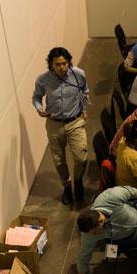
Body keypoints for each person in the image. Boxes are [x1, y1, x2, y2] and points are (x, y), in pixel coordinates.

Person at [32, 47, 89, 205]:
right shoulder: (43, 79)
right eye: (57, 64)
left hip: (75, 121)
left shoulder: (78, 74)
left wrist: (83, 109)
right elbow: (36, 97)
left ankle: (77, 181)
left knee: (80, 157)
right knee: (58, 160)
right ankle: (67, 186)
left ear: (69, 62)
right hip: (54, 124)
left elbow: (84, 91)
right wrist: (39, 108)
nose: (61, 67)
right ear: (51, 64)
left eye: (64, 63)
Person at [76, 185, 137, 274]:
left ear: (101, 221)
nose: (94, 235)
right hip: (128, 235)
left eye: (95, 232)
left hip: (136, 213)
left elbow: (132, 191)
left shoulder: (110, 197)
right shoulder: (88, 233)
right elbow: (84, 257)